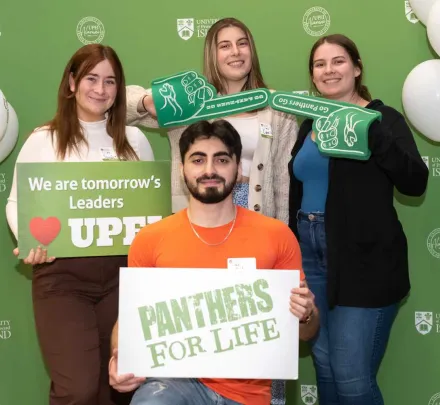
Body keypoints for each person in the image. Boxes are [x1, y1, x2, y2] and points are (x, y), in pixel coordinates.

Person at [108, 119, 319, 405]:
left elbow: (306, 333)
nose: (210, 170)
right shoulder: (150, 239)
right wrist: (120, 359)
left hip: (248, 393)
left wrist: (306, 314)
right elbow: (129, 320)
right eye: (198, 160)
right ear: (182, 169)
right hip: (171, 383)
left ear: (238, 168)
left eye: (221, 159)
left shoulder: (276, 235)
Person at [6, 44, 155, 405]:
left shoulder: (134, 141)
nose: (100, 90)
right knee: (78, 389)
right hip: (62, 278)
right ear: (71, 82)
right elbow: (16, 202)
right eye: (91, 78)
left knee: (118, 386)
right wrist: (31, 242)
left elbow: (151, 206)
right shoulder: (44, 140)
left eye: (110, 81)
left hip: (122, 277)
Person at [288, 34, 429, 405]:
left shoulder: (383, 118)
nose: (329, 70)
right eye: (320, 64)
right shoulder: (308, 126)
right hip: (310, 259)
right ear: (313, 76)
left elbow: (415, 181)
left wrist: (372, 132)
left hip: (364, 264)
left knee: (352, 380)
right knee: (327, 372)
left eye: (338, 61)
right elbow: (297, 191)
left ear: (356, 68)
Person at [125, 17, 298, 223]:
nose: (235, 51)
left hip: (257, 217)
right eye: (225, 46)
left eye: (242, 43)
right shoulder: (192, 104)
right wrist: (147, 102)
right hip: (197, 217)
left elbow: (283, 183)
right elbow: (118, 106)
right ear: (212, 56)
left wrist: (282, 231)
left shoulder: (276, 109)